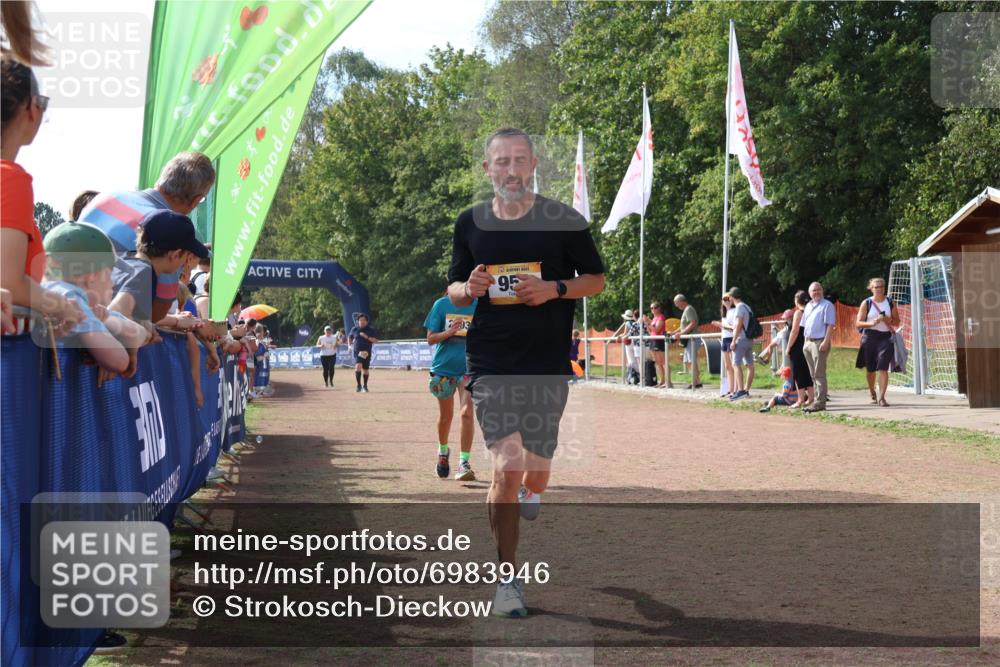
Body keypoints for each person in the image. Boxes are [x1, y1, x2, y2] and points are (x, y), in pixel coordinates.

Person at [446, 127, 605, 618]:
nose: (511, 170)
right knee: (506, 466)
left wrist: (554, 289)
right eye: (501, 162)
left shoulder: (564, 220)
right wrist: (467, 288)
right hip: (491, 362)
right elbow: (453, 288)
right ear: (488, 169)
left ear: (533, 164)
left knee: (536, 473)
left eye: (519, 161)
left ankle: (532, 491)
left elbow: (595, 280)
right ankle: (507, 580)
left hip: (547, 365)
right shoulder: (470, 223)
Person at [79, 151, 215, 324]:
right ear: (195, 200)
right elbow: (156, 312)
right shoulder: (169, 232)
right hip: (101, 334)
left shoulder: (105, 197)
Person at [1, 57, 84, 333]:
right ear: (29, 108)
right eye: (42, 103)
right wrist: (62, 306)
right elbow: (8, 282)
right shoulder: (10, 177)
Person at [41, 222, 150, 373]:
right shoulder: (70, 297)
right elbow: (119, 361)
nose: (112, 283)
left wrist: (105, 320)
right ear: (92, 276)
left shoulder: (88, 307)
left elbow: (142, 334)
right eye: (110, 274)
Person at [424, 291, 477, 481]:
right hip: (443, 369)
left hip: (469, 369)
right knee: (446, 416)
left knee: (467, 413)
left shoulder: (479, 304)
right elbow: (430, 338)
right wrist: (448, 333)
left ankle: (464, 463)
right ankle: (443, 451)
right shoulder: (441, 304)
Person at [855, 277, 900, 407]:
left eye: (881, 286)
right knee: (870, 370)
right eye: (876, 287)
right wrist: (871, 323)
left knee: (883, 368)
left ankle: (882, 397)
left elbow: (897, 322)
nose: (879, 289)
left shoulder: (890, 302)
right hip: (869, 337)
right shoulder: (866, 303)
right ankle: (872, 391)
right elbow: (858, 323)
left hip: (886, 338)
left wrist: (887, 319)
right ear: (871, 289)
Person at [801, 281, 836, 413]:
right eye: (813, 290)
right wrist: (805, 342)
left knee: (819, 373)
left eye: (818, 289)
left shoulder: (827, 305)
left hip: (820, 342)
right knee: (812, 374)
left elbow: (830, 325)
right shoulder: (808, 306)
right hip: (809, 342)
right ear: (809, 293)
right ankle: (816, 400)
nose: (816, 292)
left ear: (822, 290)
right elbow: (805, 325)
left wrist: (826, 341)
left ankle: (820, 402)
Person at [785, 290, 815, 409]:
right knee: (807, 372)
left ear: (797, 301)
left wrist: (788, 347)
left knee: (797, 373)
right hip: (807, 343)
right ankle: (811, 397)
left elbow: (795, 331)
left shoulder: (798, 313)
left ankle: (801, 399)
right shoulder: (810, 311)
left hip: (797, 346)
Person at [727, 287, 755, 400]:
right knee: (750, 365)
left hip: (741, 339)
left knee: (736, 364)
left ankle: (740, 390)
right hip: (749, 339)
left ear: (731, 297)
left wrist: (733, 341)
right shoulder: (747, 307)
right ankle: (746, 390)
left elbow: (738, 324)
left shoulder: (739, 307)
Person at [671, 294, 701, 389]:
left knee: (691, 360)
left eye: (676, 303)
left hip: (692, 338)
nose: (676, 305)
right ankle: (696, 381)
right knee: (688, 361)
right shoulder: (686, 310)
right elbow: (683, 325)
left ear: (681, 301)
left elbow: (693, 323)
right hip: (688, 339)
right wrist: (675, 332)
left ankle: (695, 382)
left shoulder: (689, 309)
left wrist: (681, 333)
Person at [711, 295, 736, 397]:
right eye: (724, 299)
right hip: (725, 339)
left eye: (728, 299)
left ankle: (735, 389)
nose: (726, 301)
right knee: (728, 366)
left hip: (731, 339)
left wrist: (720, 325)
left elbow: (733, 328)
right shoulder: (725, 313)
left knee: (734, 365)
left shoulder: (734, 311)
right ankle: (730, 389)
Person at [348, 313, 378, 392]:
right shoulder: (354, 329)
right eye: (360, 320)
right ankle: (358, 386)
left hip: (366, 352)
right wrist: (349, 345)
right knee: (358, 366)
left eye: (364, 320)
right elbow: (350, 337)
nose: (362, 321)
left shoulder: (370, 330)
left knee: (365, 370)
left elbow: (375, 340)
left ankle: (365, 386)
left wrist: (367, 337)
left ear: (367, 321)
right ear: (358, 321)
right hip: (357, 352)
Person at [644, 302, 671, 388]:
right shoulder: (654, 318)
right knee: (658, 363)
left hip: (659, 341)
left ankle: (668, 381)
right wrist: (647, 323)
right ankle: (662, 381)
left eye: (655, 307)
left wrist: (649, 321)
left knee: (663, 362)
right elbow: (650, 332)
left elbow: (657, 329)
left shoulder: (661, 317)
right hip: (653, 340)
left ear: (659, 308)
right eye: (651, 308)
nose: (653, 309)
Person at [621, 309, 641, 384]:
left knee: (631, 360)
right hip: (635, 343)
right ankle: (637, 375)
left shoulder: (627, 323)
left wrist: (620, 336)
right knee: (636, 359)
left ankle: (634, 375)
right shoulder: (635, 322)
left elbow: (625, 333)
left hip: (629, 343)